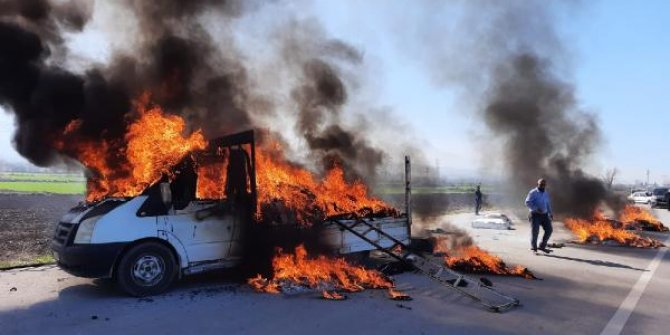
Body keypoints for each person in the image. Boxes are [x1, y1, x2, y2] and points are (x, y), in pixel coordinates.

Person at [525, 178, 553, 254]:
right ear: (537, 184)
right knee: (535, 231)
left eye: (544, 184)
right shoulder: (533, 192)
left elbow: (547, 204)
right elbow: (527, 202)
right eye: (541, 184)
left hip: (544, 215)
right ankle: (534, 248)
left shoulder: (545, 193)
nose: (542, 186)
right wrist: (536, 209)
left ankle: (542, 246)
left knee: (549, 230)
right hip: (535, 215)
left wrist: (550, 213)